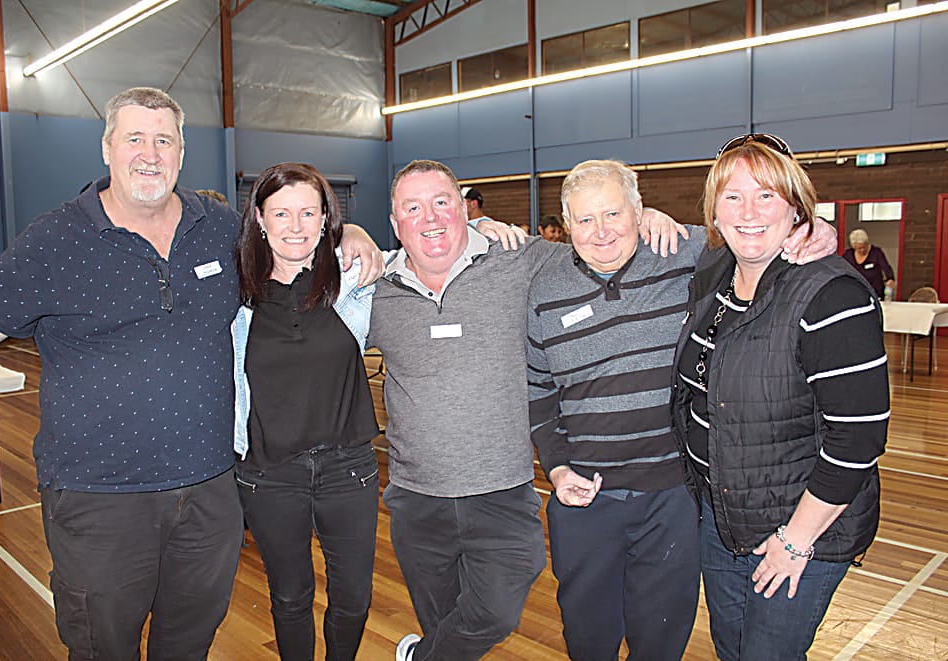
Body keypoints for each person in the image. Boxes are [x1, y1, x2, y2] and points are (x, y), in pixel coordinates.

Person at [0, 87, 382, 660]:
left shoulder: (223, 231)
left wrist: (350, 234)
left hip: (208, 495)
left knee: (188, 644)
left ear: (181, 154)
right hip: (100, 500)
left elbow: (293, 237)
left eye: (164, 140)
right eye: (134, 138)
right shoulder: (53, 242)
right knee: (104, 646)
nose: (149, 153)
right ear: (107, 148)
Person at [370, 160, 686, 661]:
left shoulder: (518, 258)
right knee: (444, 623)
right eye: (413, 207)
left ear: (464, 208)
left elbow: (597, 241)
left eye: (442, 202)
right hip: (416, 496)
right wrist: (345, 234)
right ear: (395, 223)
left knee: (494, 612)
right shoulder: (374, 288)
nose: (430, 217)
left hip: (502, 487)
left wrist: (651, 221)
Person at [526, 159, 836, 661]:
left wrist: (817, 230)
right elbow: (536, 389)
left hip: (673, 497)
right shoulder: (543, 288)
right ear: (565, 223)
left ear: (640, 210)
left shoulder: (684, 251)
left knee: (662, 638)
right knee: (587, 639)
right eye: (584, 219)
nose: (601, 231)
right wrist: (557, 468)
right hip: (584, 499)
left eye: (613, 214)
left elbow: (755, 228)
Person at [671, 134, 888, 661]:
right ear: (713, 212)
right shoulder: (713, 276)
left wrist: (795, 541)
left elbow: (858, 440)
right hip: (723, 519)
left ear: (796, 208)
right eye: (733, 196)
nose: (748, 211)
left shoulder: (831, 293)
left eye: (766, 195)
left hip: (800, 533)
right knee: (732, 648)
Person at [231, 163, 380, 661]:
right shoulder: (232, 294)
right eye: (281, 213)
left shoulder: (354, 278)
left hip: (348, 470)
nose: (295, 226)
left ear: (325, 219)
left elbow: (432, 253)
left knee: (354, 600)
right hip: (269, 476)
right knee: (290, 598)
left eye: (308, 212)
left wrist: (486, 228)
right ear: (259, 218)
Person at [842, 228, 895, 299]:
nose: (862, 250)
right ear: (853, 246)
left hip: (875, 292)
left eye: (864, 247)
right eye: (859, 248)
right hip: (855, 291)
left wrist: (890, 279)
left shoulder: (876, 252)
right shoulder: (848, 254)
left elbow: (886, 267)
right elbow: (841, 269)